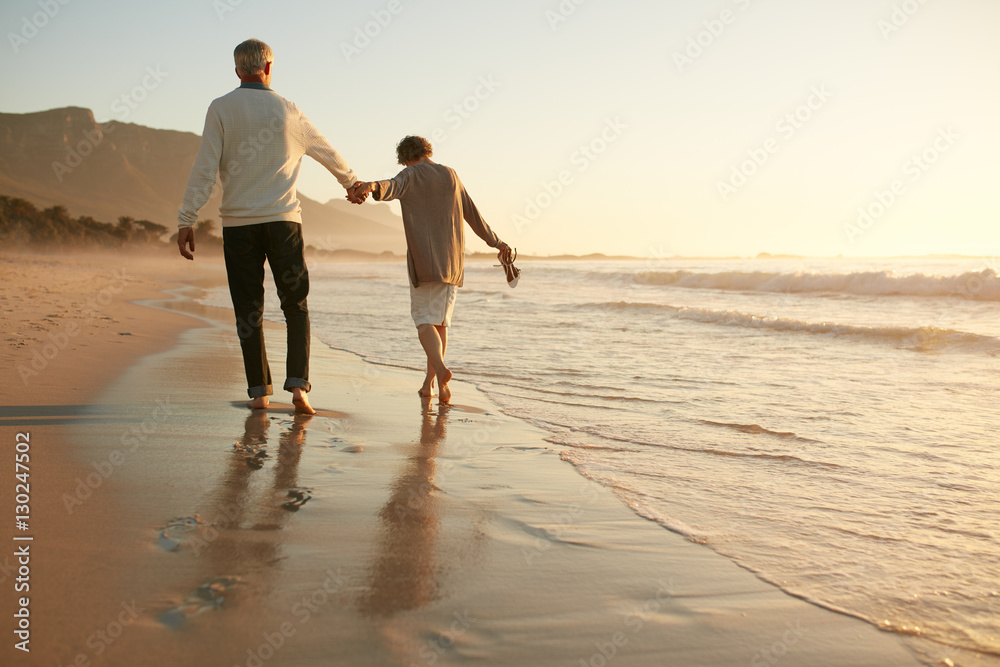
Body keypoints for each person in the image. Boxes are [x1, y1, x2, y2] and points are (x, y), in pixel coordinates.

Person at [177, 38, 366, 414]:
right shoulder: (288, 110)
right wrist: (352, 184)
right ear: (269, 68)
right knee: (295, 305)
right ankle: (299, 389)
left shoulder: (221, 108)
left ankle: (259, 392)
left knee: (248, 308)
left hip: (239, 226)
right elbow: (325, 149)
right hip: (283, 224)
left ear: (237, 71)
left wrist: (187, 217)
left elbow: (205, 167)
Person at [350, 136, 510, 404]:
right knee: (440, 323)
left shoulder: (411, 174)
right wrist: (497, 242)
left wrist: (369, 187)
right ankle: (432, 386)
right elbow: (473, 214)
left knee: (423, 321)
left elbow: (390, 187)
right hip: (453, 263)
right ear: (427, 151)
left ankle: (442, 371)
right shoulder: (451, 175)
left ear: (406, 158)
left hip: (425, 261)